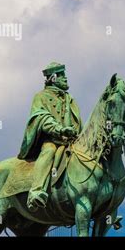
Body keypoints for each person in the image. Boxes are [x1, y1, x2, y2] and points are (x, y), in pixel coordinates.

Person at [18, 62, 83, 211]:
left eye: (65, 75)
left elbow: (79, 123)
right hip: (52, 140)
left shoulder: (70, 99)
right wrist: (60, 130)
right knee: (48, 151)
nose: (65, 78)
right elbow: (41, 117)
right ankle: (36, 192)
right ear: (53, 78)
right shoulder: (40, 97)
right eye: (61, 76)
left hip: (72, 142)